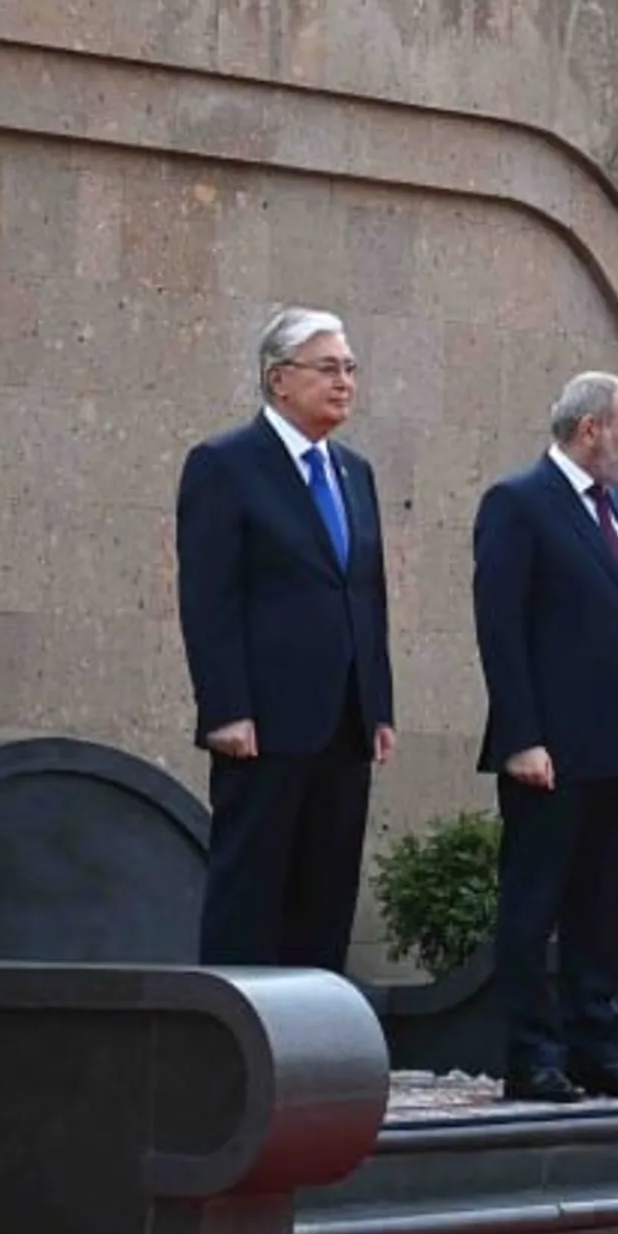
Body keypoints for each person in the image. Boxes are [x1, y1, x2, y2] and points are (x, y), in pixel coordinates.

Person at [473, 372, 618, 1106]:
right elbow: (501, 629)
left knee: (601, 907)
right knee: (535, 907)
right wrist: (521, 737)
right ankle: (532, 1057)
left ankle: (597, 1049)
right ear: (590, 429)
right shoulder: (518, 503)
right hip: (548, 755)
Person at [178, 308, 395, 970]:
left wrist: (378, 705)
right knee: (252, 890)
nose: (345, 382)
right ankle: (233, 1025)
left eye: (350, 368)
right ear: (278, 378)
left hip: (345, 722)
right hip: (264, 723)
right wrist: (225, 708)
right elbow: (209, 598)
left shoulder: (354, 472)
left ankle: (315, 1026)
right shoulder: (224, 464)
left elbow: (368, 593)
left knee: (327, 892)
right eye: (328, 368)